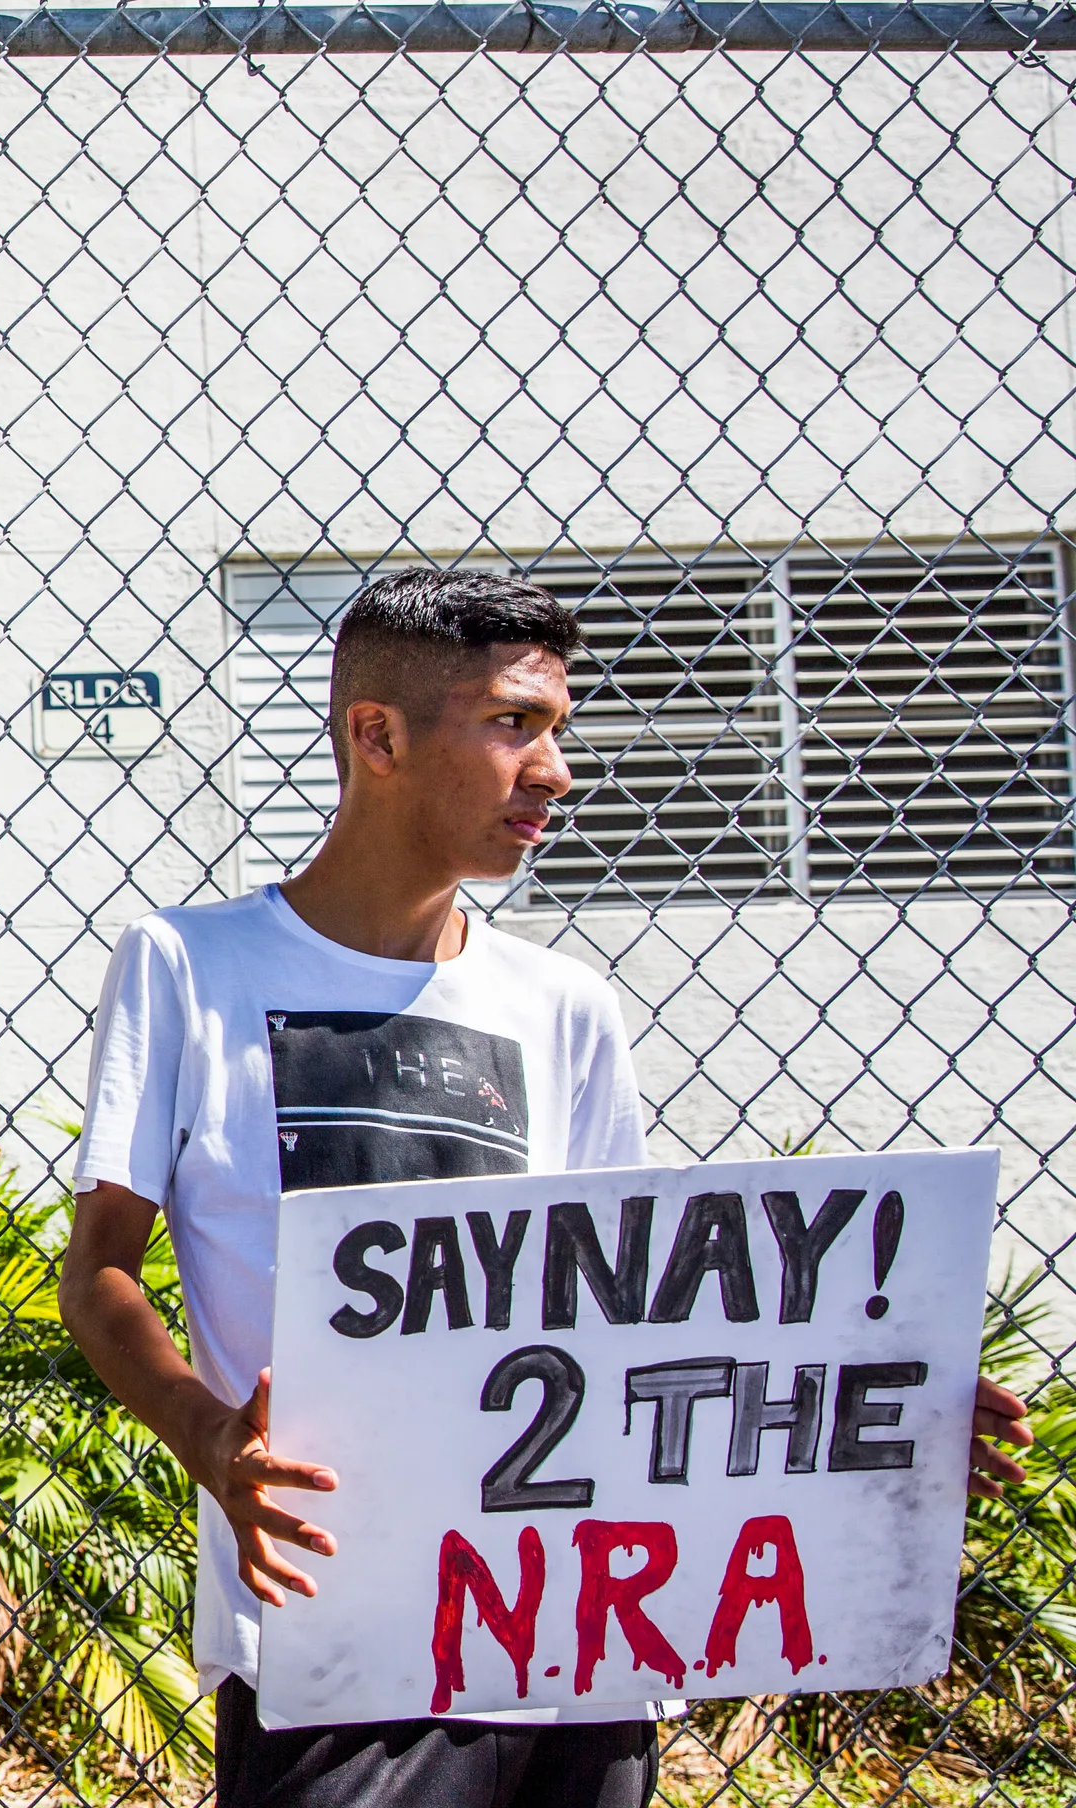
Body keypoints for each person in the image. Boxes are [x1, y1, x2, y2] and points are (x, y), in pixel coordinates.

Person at [54, 568, 1036, 1808]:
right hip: (337, 1637)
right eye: (514, 724)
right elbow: (97, 1273)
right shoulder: (188, 964)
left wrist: (850, 1419)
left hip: (573, 1647)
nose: (556, 770)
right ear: (377, 736)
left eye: (555, 729)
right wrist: (209, 1440)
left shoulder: (563, 1005)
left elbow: (625, 1325)